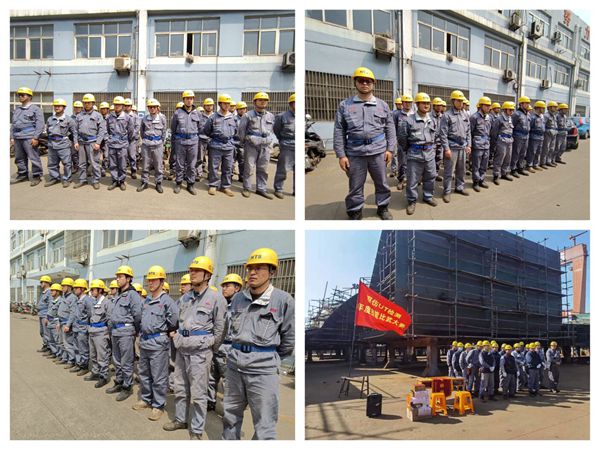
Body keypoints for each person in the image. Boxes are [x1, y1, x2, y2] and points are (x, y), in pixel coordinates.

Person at [222, 248, 295, 440]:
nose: (252, 273)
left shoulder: (283, 301)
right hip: (234, 367)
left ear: (272, 272)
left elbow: (288, 340)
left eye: (259, 268)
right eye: (250, 268)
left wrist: (266, 356)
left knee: (265, 425)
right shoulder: (238, 298)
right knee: (230, 417)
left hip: (263, 370)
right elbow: (230, 331)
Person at [163, 256, 227, 440]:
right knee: (180, 388)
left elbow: (221, 329)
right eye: (191, 270)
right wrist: (176, 337)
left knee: (199, 394)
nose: (192, 273)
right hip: (182, 349)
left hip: (200, 352)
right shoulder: (185, 298)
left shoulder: (216, 298)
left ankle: (197, 430)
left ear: (207, 275)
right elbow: (178, 321)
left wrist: (211, 348)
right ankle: (180, 419)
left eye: (197, 270)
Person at [333, 67, 396, 220]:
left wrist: (390, 150)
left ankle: (383, 207)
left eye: (368, 81)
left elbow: (390, 128)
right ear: (355, 83)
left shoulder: (382, 105)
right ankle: (355, 210)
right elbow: (339, 130)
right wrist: (341, 155)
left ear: (373, 84)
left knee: (382, 183)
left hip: (378, 152)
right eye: (361, 81)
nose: (365, 84)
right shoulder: (345, 105)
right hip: (355, 153)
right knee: (355, 185)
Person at [133, 265, 179, 421]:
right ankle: (146, 399)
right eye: (149, 280)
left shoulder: (167, 301)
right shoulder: (146, 301)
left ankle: (158, 405)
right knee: (144, 373)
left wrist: (165, 332)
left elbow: (174, 321)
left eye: (154, 280)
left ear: (161, 281)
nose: (150, 283)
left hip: (158, 343)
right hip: (145, 341)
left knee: (159, 376)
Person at [106, 265, 142, 401]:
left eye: (120, 276)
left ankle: (127, 387)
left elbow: (138, 315)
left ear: (128, 278)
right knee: (116, 361)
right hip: (115, 331)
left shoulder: (133, 295)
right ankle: (119, 382)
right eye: (117, 276)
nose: (117, 279)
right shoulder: (119, 295)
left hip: (126, 332)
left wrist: (134, 330)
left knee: (126, 362)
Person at [207, 273, 243, 411]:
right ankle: (210, 401)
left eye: (228, 286)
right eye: (223, 286)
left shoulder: (241, 307)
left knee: (228, 382)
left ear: (237, 288)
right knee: (211, 377)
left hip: (230, 348)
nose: (224, 288)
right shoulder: (220, 304)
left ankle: (229, 411)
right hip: (216, 346)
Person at [399, 92, 437, 215]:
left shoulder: (432, 120)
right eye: (423, 103)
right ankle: (411, 201)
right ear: (417, 104)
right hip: (414, 155)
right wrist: (410, 149)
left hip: (429, 154)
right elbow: (402, 139)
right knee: (412, 180)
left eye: (428, 103)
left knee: (430, 177)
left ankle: (428, 196)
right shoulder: (408, 120)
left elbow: (435, 137)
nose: (426, 105)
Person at [238, 92, 276, 200]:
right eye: (260, 100)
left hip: (265, 146)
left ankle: (261, 188)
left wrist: (270, 142)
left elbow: (273, 130)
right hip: (251, 145)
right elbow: (241, 131)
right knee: (249, 168)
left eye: (265, 100)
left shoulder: (270, 116)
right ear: (255, 102)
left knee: (263, 169)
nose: (263, 102)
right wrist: (245, 142)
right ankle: (247, 188)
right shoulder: (247, 115)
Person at [439, 90, 471, 203]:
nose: (461, 103)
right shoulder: (447, 115)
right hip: (452, 147)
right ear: (453, 101)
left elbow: (468, 131)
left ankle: (459, 187)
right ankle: (447, 191)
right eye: (458, 101)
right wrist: (446, 148)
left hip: (462, 147)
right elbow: (443, 134)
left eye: (462, 101)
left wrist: (469, 145)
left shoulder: (465, 115)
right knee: (449, 171)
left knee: (462, 170)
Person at [11, 86, 45, 185]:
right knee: (19, 157)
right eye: (19, 95)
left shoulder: (36, 109)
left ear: (30, 96)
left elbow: (40, 124)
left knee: (33, 157)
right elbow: (13, 124)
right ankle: (22, 174)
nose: (20, 97)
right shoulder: (17, 110)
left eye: (23, 95)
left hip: (29, 137)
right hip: (18, 137)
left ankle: (37, 175)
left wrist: (36, 137)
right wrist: (11, 137)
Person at [205, 94, 238, 197]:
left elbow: (236, 132)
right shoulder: (213, 117)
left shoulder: (233, 118)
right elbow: (206, 131)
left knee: (228, 167)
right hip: (216, 145)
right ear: (220, 104)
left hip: (229, 146)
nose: (227, 105)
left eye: (228, 103)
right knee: (213, 167)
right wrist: (214, 139)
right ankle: (213, 185)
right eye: (225, 103)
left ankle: (225, 186)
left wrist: (231, 141)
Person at [172, 90, 202, 195]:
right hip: (180, 141)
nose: (189, 100)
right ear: (183, 100)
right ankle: (178, 183)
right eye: (187, 98)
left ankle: (190, 184)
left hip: (193, 142)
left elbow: (200, 128)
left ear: (193, 100)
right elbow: (173, 128)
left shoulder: (198, 113)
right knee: (180, 164)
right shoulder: (177, 113)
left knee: (192, 165)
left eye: (191, 98)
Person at [74, 94, 107, 190]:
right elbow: (75, 130)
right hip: (81, 142)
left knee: (94, 163)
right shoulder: (79, 116)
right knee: (81, 163)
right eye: (85, 102)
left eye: (89, 102)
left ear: (93, 103)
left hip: (92, 142)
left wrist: (98, 142)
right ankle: (82, 180)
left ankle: (96, 180)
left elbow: (102, 130)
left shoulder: (98, 115)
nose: (87, 104)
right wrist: (75, 141)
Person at [44, 99, 78, 188]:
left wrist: (75, 142)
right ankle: (54, 178)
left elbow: (74, 132)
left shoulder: (69, 120)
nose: (57, 107)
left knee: (67, 163)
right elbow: (47, 131)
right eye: (55, 106)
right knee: (52, 163)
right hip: (52, 144)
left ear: (64, 107)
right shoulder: (50, 119)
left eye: (59, 106)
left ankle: (67, 179)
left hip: (63, 145)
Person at [86, 279, 112, 388]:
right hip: (92, 331)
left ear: (100, 290)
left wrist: (108, 334)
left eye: (93, 289)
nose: (91, 291)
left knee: (102, 356)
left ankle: (103, 376)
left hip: (101, 333)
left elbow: (109, 319)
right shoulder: (94, 302)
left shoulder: (107, 302)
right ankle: (95, 372)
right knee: (93, 355)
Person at [138, 98, 167, 193]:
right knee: (145, 164)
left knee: (158, 165)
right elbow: (142, 131)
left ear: (157, 108)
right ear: (148, 108)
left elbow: (164, 131)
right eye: (150, 107)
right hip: (146, 144)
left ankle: (158, 183)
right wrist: (146, 140)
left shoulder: (162, 118)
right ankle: (144, 182)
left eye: (154, 107)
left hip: (158, 144)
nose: (152, 109)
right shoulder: (144, 118)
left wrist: (160, 142)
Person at [106, 96, 135, 190]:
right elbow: (108, 130)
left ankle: (121, 181)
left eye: (119, 105)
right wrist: (111, 139)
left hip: (122, 144)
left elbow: (131, 131)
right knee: (113, 164)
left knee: (122, 164)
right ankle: (114, 181)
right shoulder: (109, 117)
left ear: (122, 106)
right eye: (116, 104)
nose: (117, 106)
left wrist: (126, 140)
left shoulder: (127, 118)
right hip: (112, 144)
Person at [68, 278, 94, 375]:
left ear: (82, 289)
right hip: (76, 327)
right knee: (77, 347)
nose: (74, 290)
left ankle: (84, 366)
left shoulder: (87, 300)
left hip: (83, 328)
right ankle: (79, 364)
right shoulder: (78, 300)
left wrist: (87, 325)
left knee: (83, 348)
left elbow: (91, 314)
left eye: (76, 288)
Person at [273, 93, 295, 198]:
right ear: (291, 104)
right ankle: (278, 189)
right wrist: (282, 140)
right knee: (283, 169)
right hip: (287, 145)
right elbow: (276, 130)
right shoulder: (282, 116)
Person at [470, 97, 493, 192]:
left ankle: (481, 180)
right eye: (486, 105)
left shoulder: (489, 117)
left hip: (486, 144)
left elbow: (490, 130)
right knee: (476, 165)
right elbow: (470, 132)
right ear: (481, 106)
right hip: (477, 145)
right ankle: (475, 182)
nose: (488, 107)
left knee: (484, 164)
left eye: (489, 106)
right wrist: (470, 145)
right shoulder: (474, 117)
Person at [490, 101, 515, 185]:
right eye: (510, 110)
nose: (512, 111)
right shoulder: (499, 119)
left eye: (512, 110)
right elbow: (494, 132)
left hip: (509, 140)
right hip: (501, 141)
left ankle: (504, 173)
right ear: (505, 110)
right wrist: (495, 143)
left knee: (508, 158)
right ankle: (496, 175)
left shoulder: (510, 118)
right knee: (499, 159)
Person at [393, 94, 414, 190]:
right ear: (402, 103)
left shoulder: (415, 114)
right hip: (401, 143)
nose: (408, 104)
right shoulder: (397, 115)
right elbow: (393, 128)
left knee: (413, 163)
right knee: (402, 163)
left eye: (409, 102)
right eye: (406, 102)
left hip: (413, 143)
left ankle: (412, 180)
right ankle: (401, 180)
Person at [57, 277, 78, 368]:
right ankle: (65, 358)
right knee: (62, 342)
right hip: (61, 322)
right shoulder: (64, 297)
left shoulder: (73, 298)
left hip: (66, 323)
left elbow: (73, 313)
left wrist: (68, 325)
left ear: (69, 287)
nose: (62, 287)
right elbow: (61, 310)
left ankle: (71, 360)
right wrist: (59, 322)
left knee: (68, 343)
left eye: (64, 286)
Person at [511, 96, 531, 178]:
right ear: (521, 104)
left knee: (523, 153)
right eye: (526, 103)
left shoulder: (528, 114)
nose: (528, 105)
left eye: (528, 103)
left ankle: (520, 167)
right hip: (518, 136)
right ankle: (513, 169)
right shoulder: (516, 114)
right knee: (516, 153)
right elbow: (512, 125)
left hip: (526, 136)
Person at [45, 284, 64, 359]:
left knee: (57, 340)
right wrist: (46, 318)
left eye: (53, 290)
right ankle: (54, 352)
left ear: (58, 292)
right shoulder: (51, 300)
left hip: (56, 322)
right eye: (51, 290)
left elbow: (61, 313)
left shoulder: (61, 301)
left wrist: (59, 323)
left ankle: (59, 355)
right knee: (51, 339)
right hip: (50, 321)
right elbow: (49, 310)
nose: (51, 292)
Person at [526, 101, 546, 171]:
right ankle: (529, 165)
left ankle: (535, 164)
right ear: (538, 108)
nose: (543, 109)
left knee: (538, 152)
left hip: (541, 137)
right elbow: (530, 127)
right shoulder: (533, 117)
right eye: (542, 108)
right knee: (532, 152)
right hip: (534, 136)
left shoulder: (542, 117)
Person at [36, 276, 52, 353]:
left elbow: (50, 305)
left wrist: (47, 316)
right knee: (42, 332)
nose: (41, 283)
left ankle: (49, 348)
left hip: (45, 315)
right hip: (41, 314)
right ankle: (45, 345)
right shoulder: (44, 292)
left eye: (42, 282)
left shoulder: (49, 292)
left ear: (47, 283)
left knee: (46, 332)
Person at [541, 101, 559, 168]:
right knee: (546, 148)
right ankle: (542, 162)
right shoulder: (546, 115)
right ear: (550, 107)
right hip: (548, 134)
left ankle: (548, 161)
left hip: (554, 134)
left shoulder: (554, 116)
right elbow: (543, 125)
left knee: (552, 148)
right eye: (554, 107)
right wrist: (547, 131)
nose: (556, 108)